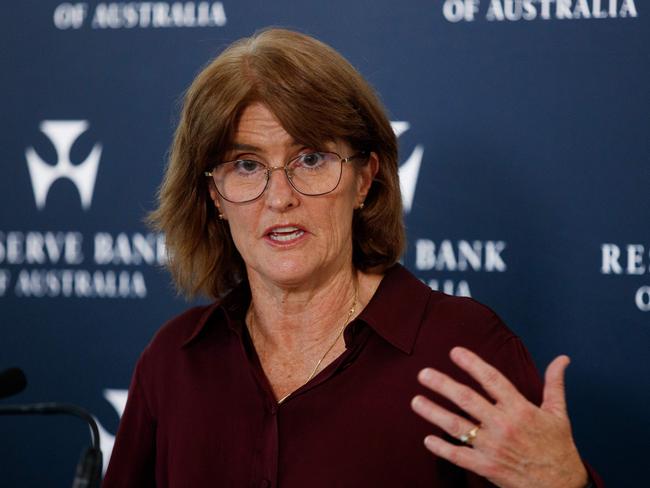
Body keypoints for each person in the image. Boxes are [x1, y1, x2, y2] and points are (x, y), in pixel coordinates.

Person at [103, 28, 602, 487]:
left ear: (365, 179)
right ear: (214, 195)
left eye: (311, 159)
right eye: (247, 165)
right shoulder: (175, 362)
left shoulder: (463, 351)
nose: (280, 197)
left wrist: (566, 484)